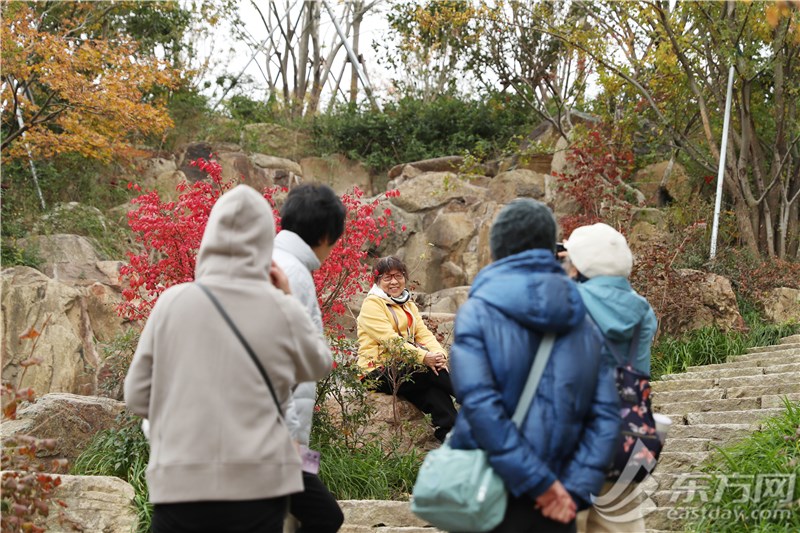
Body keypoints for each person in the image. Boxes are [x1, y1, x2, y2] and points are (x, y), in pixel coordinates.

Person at [124, 185, 333, 533]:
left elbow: (136, 396)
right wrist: (287, 298)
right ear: (267, 243)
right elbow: (318, 365)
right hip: (258, 488)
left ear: (210, 238)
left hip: (180, 486)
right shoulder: (281, 308)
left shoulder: (172, 302)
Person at [447, 198, 621, 533]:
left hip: (488, 493)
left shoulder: (477, 313)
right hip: (559, 504)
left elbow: (480, 406)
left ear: (497, 248)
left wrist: (536, 482)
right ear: (549, 246)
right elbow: (606, 416)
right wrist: (571, 490)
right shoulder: (582, 320)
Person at [562, 223, 658, 533]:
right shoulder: (643, 310)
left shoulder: (568, 301)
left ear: (580, 264)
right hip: (626, 433)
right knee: (620, 519)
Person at [273, 183, 346, 533]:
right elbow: (289, 363)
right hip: (277, 437)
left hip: (273, 435)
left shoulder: (272, 260)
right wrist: (292, 438)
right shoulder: (295, 274)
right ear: (326, 234)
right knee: (326, 517)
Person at [356, 256, 457, 442]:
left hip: (406, 369)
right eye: (387, 277)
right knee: (427, 368)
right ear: (377, 281)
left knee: (435, 393)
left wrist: (439, 355)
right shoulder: (372, 304)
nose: (394, 281)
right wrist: (424, 357)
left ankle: (452, 437)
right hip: (376, 372)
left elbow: (424, 334)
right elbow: (391, 342)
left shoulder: (407, 304)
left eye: (398, 276)